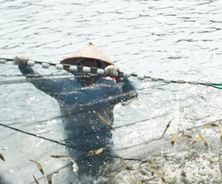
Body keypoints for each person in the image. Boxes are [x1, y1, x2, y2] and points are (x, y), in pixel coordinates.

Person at [15, 44, 137, 175]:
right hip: (75, 149)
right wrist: (25, 68)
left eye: (92, 66)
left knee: (110, 177)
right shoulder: (63, 86)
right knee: (80, 181)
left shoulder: (109, 87)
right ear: (75, 69)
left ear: (101, 69)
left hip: (104, 146)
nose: (87, 70)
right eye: (83, 65)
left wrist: (120, 76)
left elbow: (131, 94)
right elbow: (40, 82)